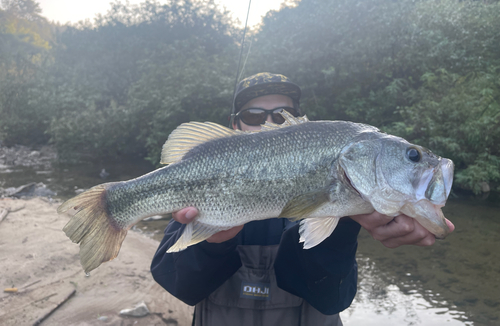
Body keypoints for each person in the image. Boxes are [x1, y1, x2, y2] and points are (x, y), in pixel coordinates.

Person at [151, 72, 455, 326]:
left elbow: (330, 298)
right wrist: (211, 242)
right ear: (235, 125)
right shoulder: (200, 187)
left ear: (301, 122)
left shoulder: (345, 204)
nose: (268, 122)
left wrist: (347, 224)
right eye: (253, 115)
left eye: (284, 114)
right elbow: (179, 284)